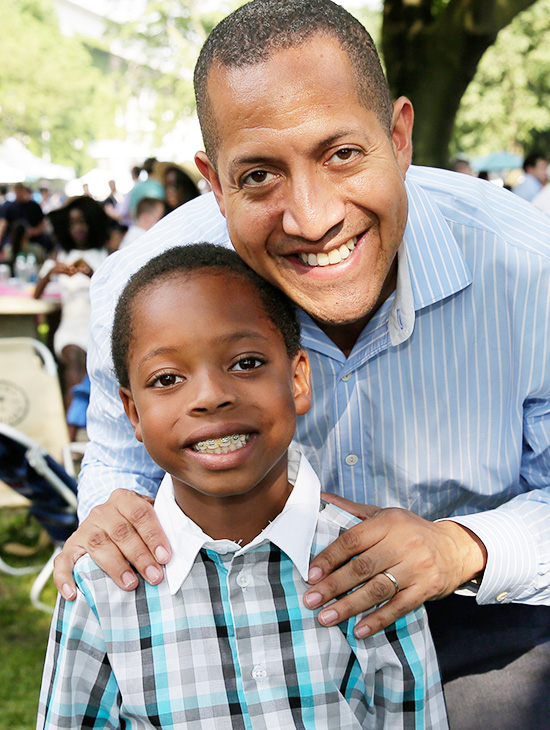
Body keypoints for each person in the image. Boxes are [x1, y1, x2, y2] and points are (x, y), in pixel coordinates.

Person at [55, 2, 550, 728]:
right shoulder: (145, 292)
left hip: (483, 618)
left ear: (400, 135)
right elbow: (117, 469)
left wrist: (460, 546)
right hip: (237, 627)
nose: (313, 218)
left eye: (341, 154)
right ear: (213, 182)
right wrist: (112, 519)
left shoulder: (530, 270)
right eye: (259, 175)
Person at [38, 244, 447, 730]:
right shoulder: (102, 583)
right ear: (133, 413)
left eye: (246, 363)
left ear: (297, 379)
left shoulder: (371, 563)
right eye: (168, 378)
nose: (210, 397)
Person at [34, 196, 111, 413]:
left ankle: (80, 425)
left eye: (82, 222)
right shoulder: (61, 255)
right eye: (72, 223)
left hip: (97, 331)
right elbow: (36, 296)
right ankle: (72, 428)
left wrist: (93, 275)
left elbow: (113, 296)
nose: (77, 228)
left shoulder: (105, 255)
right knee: (75, 360)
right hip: (69, 330)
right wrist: (50, 273)